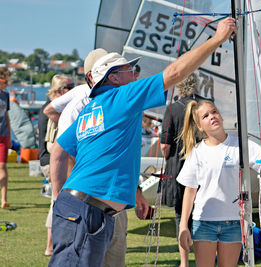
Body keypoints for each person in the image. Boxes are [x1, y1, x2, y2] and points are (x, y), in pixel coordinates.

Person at [49, 17, 237, 266]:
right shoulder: (121, 96)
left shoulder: (91, 109)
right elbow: (175, 73)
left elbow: (59, 151)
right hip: (86, 212)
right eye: (130, 70)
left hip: (84, 209)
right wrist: (217, 39)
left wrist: (58, 197)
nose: (136, 74)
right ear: (113, 78)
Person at [50, 48, 139, 267]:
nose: (135, 74)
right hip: (85, 202)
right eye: (129, 69)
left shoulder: (119, 100)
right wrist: (60, 197)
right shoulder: (80, 106)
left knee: (113, 257)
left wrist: (137, 192)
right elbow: (61, 153)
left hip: (106, 205)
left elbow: (118, 154)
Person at [177, 100, 261, 267]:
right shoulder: (197, 152)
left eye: (214, 112)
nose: (212, 116)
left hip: (233, 222)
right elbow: (190, 190)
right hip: (203, 221)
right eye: (205, 116)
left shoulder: (241, 145)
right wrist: (183, 225)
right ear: (200, 127)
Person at [160, 73, 204, 267]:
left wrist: (167, 158)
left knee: (182, 216)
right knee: (205, 216)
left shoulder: (172, 109)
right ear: (196, 85)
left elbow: (165, 146)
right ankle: (206, 259)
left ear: (179, 87)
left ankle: (184, 263)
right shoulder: (206, 106)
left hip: (178, 166)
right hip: (204, 165)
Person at [38, 74, 73, 256]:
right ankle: (51, 246)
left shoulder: (48, 107)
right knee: (57, 200)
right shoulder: (53, 110)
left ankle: (53, 245)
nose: (72, 89)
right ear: (60, 90)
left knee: (57, 199)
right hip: (51, 160)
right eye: (69, 86)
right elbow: (53, 143)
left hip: (46, 159)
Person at [0, 67, 12, 209]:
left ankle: (4, 199)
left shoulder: (6, 95)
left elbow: (7, 117)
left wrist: (9, 136)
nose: (6, 84)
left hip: (3, 135)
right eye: (4, 81)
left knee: (3, 166)